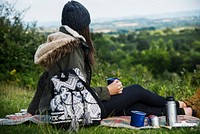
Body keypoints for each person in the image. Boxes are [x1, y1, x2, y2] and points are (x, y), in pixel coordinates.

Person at [9, 1, 199, 120]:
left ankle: (184, 112)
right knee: (137, 90)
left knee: (133, 106)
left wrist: (33, 110)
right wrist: (108, 90)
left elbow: (45, 79)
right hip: (77, 110)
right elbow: (79, 90)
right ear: (84, 26)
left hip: (59, 107)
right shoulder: (72, 48)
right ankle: (179, 104)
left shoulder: (58, 43)